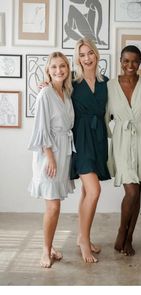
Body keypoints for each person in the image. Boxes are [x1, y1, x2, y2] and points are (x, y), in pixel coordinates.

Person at [28, 52, 75, 268]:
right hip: (50, 154)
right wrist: (50, 158)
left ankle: (51, 245)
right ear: (48, 70)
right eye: (54, 67)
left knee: (55, 205)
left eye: (62, 66)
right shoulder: (45, 94)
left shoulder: (66, 92)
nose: (59, 70)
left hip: (63, 151)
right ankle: (45, 251)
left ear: (68, 69)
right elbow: (41, 129)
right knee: (53, 207)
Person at [106, 45, 141, 256]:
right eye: (126, 60)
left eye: (135, 61)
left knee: (138, 191)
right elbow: (104, 114)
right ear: (121, 61)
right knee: (131, 191)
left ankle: (130, 237)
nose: (130, 65)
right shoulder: (109, 86)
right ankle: (121, 232)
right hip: (122, 140)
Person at [70, 37, 110, 263]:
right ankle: (84, 241)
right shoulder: (72, 83)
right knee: (94, 191)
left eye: (90, 53)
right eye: (82, 55)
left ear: (96, 54)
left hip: (99, 138)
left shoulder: (106, 82)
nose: (87, 58)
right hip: (81, 138)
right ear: (78, 58)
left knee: (87, 192)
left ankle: (82, 235)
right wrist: (44, 85)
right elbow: (55, 90)